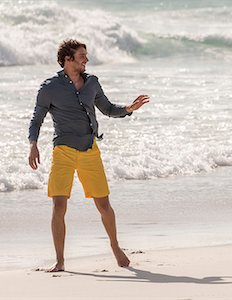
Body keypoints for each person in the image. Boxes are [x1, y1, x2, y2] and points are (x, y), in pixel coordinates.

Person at [28, 39, 149, 272]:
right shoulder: (49, 87)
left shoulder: (92, 82)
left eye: (86, 55)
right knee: (59, 205)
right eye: (82, 55)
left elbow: (108, 109)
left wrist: (129, 109)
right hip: (63, 151)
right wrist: (33, 144)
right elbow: (37, 119)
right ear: (67, 59)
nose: (86, 59)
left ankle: (115, 246)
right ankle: (60, 261)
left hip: (89, 150)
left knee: (104, 204)